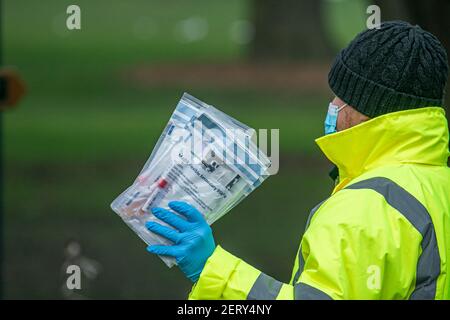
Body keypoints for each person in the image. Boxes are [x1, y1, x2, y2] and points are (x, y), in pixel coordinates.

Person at [145, 21, 450, 299]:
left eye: (341, 97)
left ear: (366, 110)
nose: (333, 106)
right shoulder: (440, 186)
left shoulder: (362, 209)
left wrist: (213, 270)